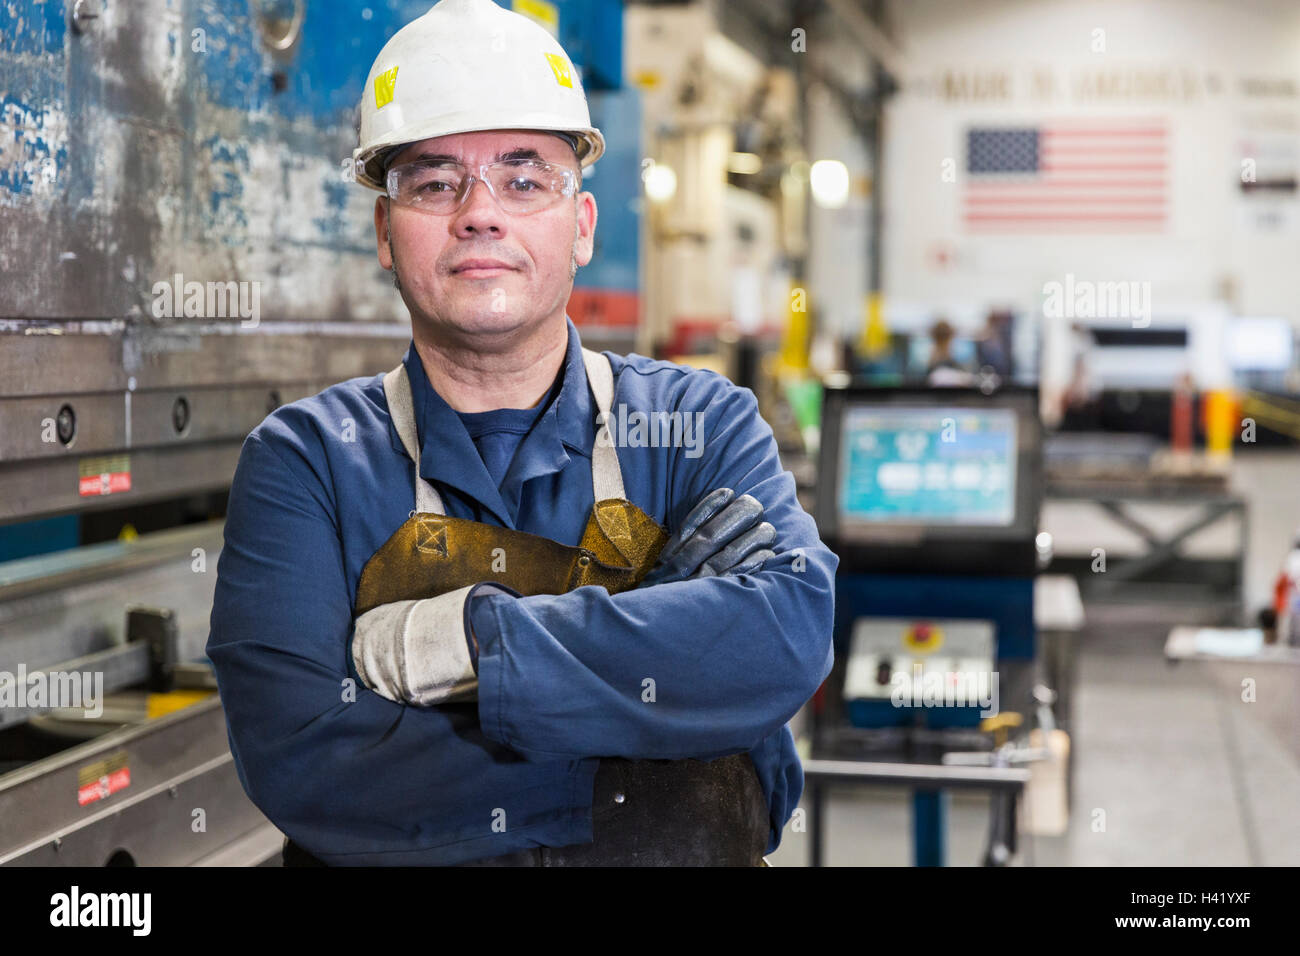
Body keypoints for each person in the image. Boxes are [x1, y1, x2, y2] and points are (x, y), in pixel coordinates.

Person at [205, 0, 836, 867]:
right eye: (434, 183)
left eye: (525, 178)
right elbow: (305, 757)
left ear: (579, 225)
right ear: (387, 234)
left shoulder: (699, 427)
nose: (480, 213)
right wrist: (654, 740)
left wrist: (466, 641)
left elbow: (787, 637)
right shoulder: (306, 463)